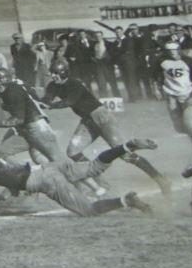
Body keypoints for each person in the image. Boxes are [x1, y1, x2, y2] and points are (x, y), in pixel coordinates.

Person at [42, 61, 171, 195]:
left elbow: (70, 101)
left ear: (63, 73)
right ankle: (102, 184)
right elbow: (46, 98)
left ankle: (160, 179)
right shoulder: (53, 86)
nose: (53, 76)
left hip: (101, 117)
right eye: (52, 73)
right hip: (88, 120)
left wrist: (51, 106)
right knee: (73, 152)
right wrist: (40, 101)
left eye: (55, 73)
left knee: (125, 155)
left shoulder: (74, 84)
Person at [0, 139, 155, 217]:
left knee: (88, 210)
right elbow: (12, 175)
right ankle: (126, 146)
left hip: (44, 180)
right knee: (95, 167)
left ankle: (127, 200)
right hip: (50, 167)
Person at [156, 41, 192, 135]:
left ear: (179, 50)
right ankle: (189, 144)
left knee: (189, 123)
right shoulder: (161, 61)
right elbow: (155, 76)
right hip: (171, 94)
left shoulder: (188, 61)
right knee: (178, 125)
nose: (172, 52)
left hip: (188, 94)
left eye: (174, 50)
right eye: (169, 50)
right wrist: (157, 89)